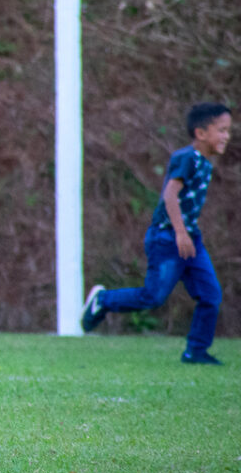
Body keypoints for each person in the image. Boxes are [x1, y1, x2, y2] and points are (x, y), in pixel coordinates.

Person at [82, 103, 230, 363]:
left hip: (190, 240)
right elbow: (170, 194)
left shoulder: (205, 163)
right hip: (168, 238)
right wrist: (180, 233)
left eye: (228, 130)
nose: (226, 136)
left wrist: (187, 235)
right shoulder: (186, 157)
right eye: (221, 130)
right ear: (201, 133)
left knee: (210, 295)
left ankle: (196, 351)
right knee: (153, 297)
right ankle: (103, 300)